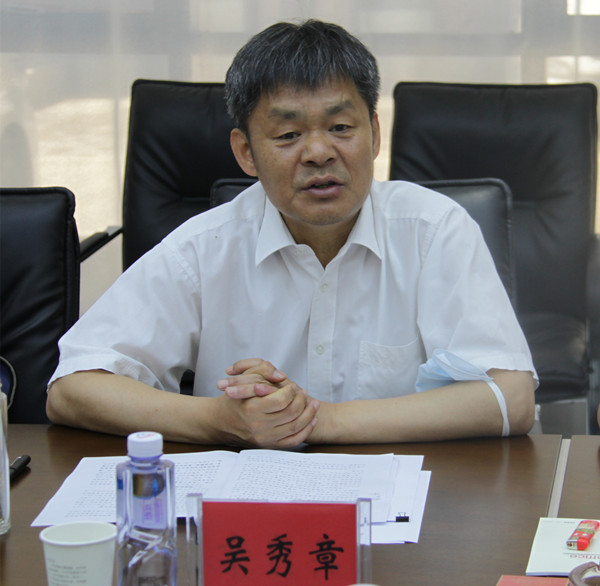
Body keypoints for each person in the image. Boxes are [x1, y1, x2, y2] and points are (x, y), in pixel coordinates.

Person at [47, 19, 536, 448]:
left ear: (374, 133)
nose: (319, 153)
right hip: (250, 505)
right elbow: (72, 388)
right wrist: (218, 421)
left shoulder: (434, 230)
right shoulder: (205, 248)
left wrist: (313, 420)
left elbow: (510, 399)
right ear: (246, 153)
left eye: (341, 127)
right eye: (288, 135)